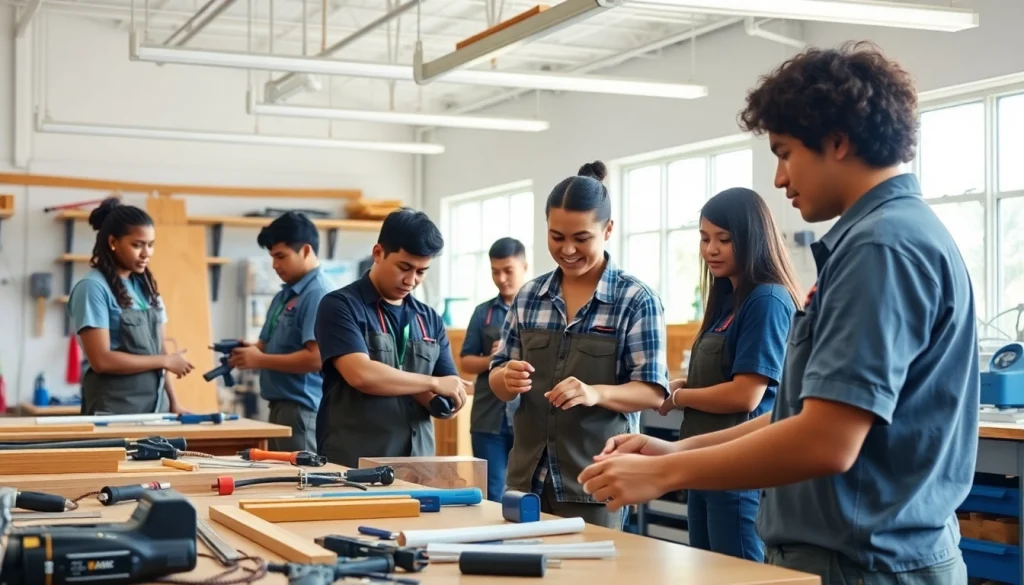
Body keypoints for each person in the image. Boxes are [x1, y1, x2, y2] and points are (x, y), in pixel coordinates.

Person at [578, 42, 977, 585]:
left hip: (865, 566)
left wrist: (666, 470)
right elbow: (804, 415)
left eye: (785, 152)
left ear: (837, 142)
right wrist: (673, 447)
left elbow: (826, 442)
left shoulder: (881, 248)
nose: (780, 178)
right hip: (861, 557)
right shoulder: (884, 238)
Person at [488, 161, 669, 530]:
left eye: (581, 238)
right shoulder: (529, 297)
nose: (567, 249)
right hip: (525, 484)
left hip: (595, 483)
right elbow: (498, 378)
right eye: (556, 236)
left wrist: (595, 393)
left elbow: (652, 391)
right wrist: (505, 378)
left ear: (608, 230)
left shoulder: (635, 300)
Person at [656, 187, 800, 562]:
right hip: (703, 461)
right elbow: (725, 375)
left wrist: (681, 398)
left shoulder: (767, 299)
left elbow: (746, 395)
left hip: (738, 469)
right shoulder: (726, 301)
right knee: (706, 569)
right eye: (705, 239)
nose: (711, 250)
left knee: (737, 573)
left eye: (724, 239)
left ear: (752, 240)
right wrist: (684, 384)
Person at [314, 208, 471, 467]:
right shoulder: (340, 306)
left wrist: (444, 397)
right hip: (354, 465)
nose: (411, 280)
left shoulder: (429, 319)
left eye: (422, 271)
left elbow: (446, 393)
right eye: (404, 267)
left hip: (418, 466)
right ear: (378, 253)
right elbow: (361, 375)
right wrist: (430, 382)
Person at [67, 197, 193, 415]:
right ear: (113, 242)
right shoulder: (93, 288)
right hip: (114, 413)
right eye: (137, 245)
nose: (146, 253)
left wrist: (173, 402)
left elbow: (161, 349)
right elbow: (101, 360)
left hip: (155, 411)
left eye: (151, 245)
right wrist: (165, 361)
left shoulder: (146, 288)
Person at [228, 212, 330, 452]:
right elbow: (265, 344)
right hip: (280, 408)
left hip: (303, 411)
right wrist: (249, 350)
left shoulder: (318, 294)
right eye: (272, 257)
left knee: (301, 483)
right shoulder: (284, 295)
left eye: (281, 256)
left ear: (306, 251)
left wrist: (260, 359)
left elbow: (316, 358)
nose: (274, 265)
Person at [459, 237, 529, 502]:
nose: (501, 278)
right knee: (491, 493)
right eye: (494, 271)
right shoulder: (483, 313)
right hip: (488, 420)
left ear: (524, 266)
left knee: (526, 492)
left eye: (508, 270)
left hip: (528, 418)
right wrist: (494, 358)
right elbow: (465, 361)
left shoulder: (540, 310)